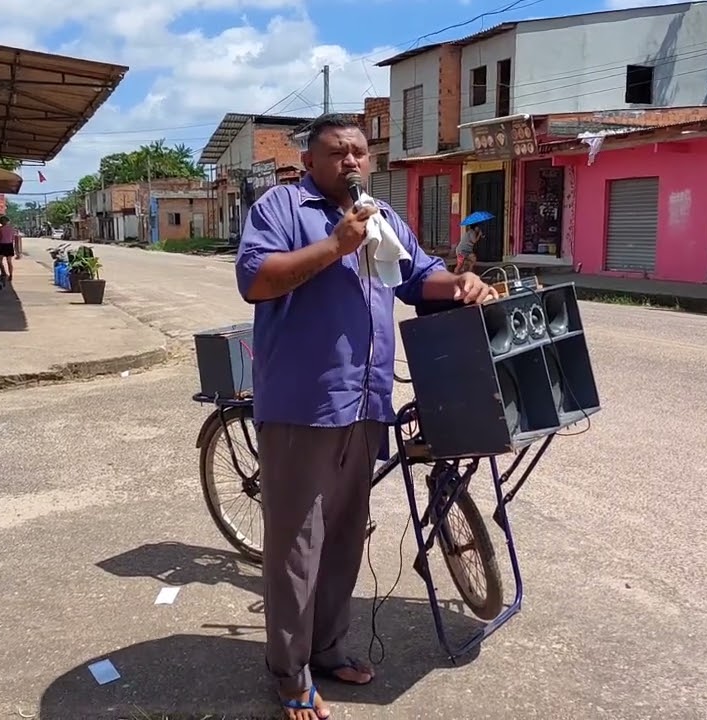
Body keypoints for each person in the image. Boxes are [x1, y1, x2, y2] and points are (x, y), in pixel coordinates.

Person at [236, 114, 496, 720]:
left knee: (344, 539)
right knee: (297, 548)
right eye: (336, 152)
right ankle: (290, 674)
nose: (350, 161)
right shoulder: (282, 207)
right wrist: (335, 246)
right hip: (304, 406)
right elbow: (255, 280)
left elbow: (419, 276)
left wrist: (461, 284)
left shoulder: (382, 216)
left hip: (365, 403)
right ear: (310, 161)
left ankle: (327, 650)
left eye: (358, 151)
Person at [0, 215, 20, 281]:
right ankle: (11, 274)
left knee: (0, 260)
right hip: (9, 245)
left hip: (2, 245)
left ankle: (4, 272)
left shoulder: (0, 229)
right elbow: (13, 239)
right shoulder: (12, 229)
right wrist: (17, 252)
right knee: (9, 261)